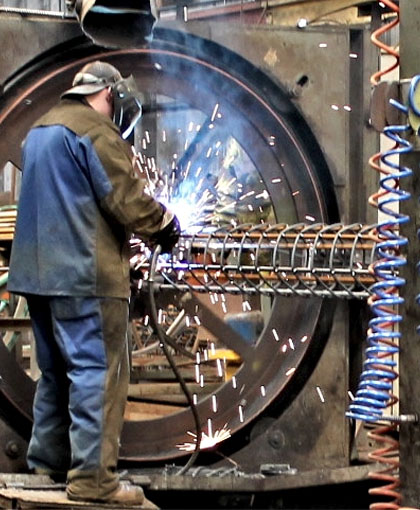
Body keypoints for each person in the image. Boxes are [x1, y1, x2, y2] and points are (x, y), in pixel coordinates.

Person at [7, 60, 180, 506]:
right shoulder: (95, 131)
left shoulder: (42, 129)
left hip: (37, 276)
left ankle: (47, 464)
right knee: (97, 375)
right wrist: (163, 225)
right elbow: (125, 198)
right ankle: (93, 481)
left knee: (55, 374)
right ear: (108, 94)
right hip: (85, 276)